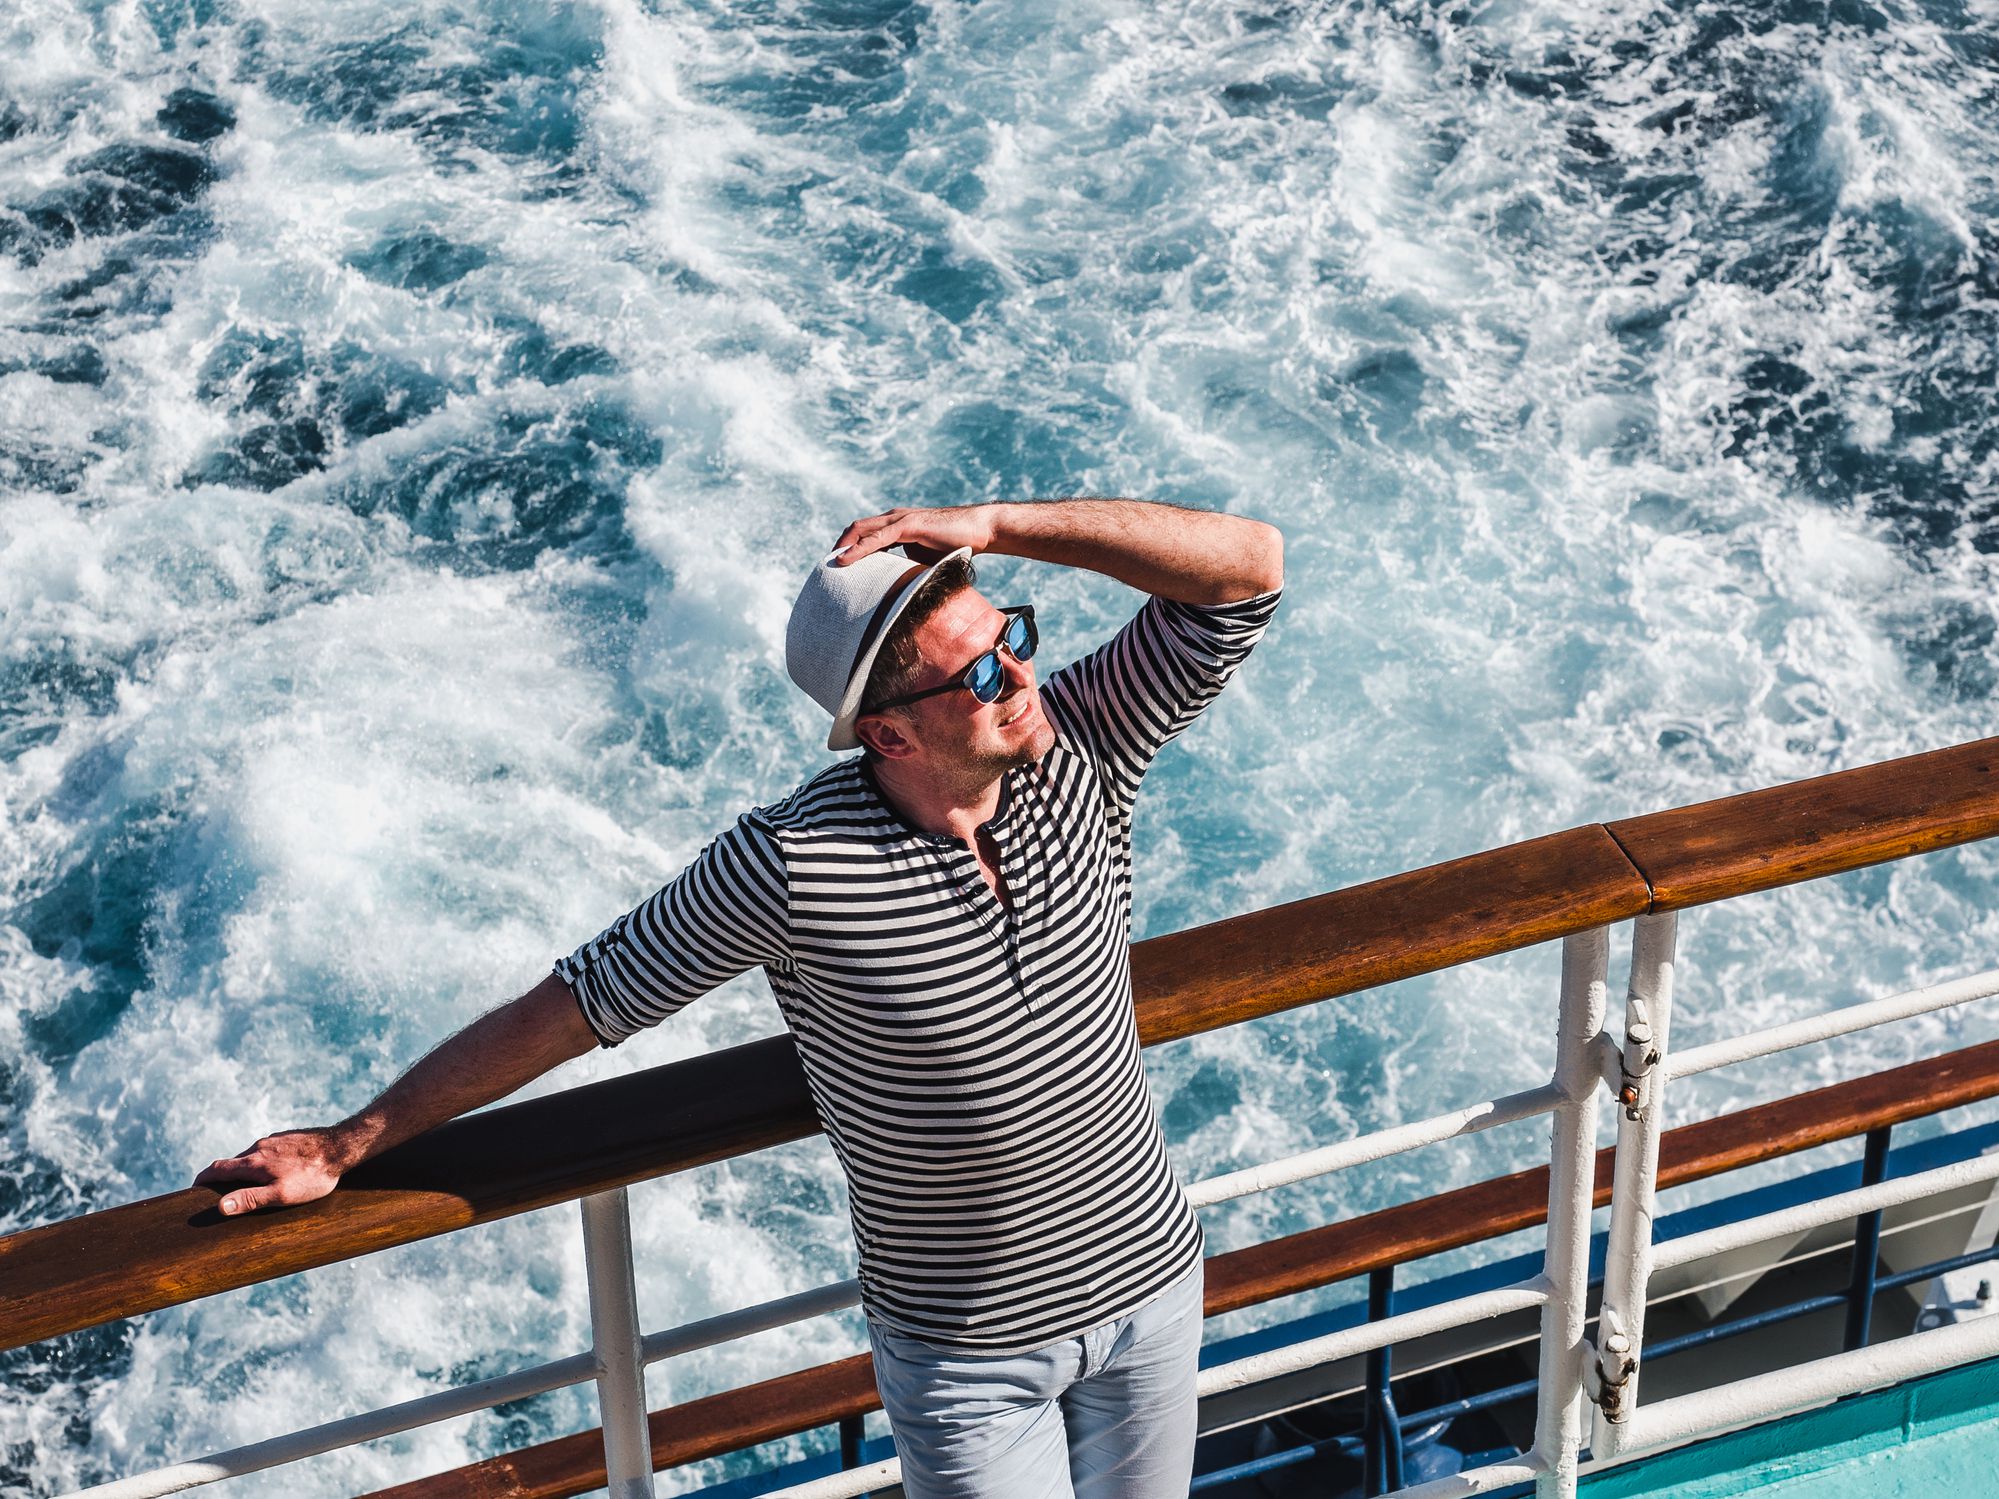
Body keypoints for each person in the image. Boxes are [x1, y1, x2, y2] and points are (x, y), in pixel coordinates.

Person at [195, 498, 1284, 1498]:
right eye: (984, 674)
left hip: (1152, 1288)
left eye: (1014, 638)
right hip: (971, 1359)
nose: (1020, 674)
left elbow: (1245, 567)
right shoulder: (792, 863)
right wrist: (346, 1143)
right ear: (890, 733)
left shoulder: (1079, 745)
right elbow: (578, 1002)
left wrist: (995, 525)